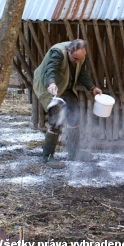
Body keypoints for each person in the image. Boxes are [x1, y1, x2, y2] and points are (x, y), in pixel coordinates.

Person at [33, 39, 102, 168]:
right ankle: (47, 158)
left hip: (65, 87)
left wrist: (92, 88)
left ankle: (74, 153)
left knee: (74, 117)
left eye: (79, 60)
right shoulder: (57, 53)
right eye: (75, 58)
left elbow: (81, 73)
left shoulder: (80, 57)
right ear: (69, 50)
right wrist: (51, 83)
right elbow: (50, 69)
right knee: (56, 121)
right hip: (48, 86)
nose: (77, 62)